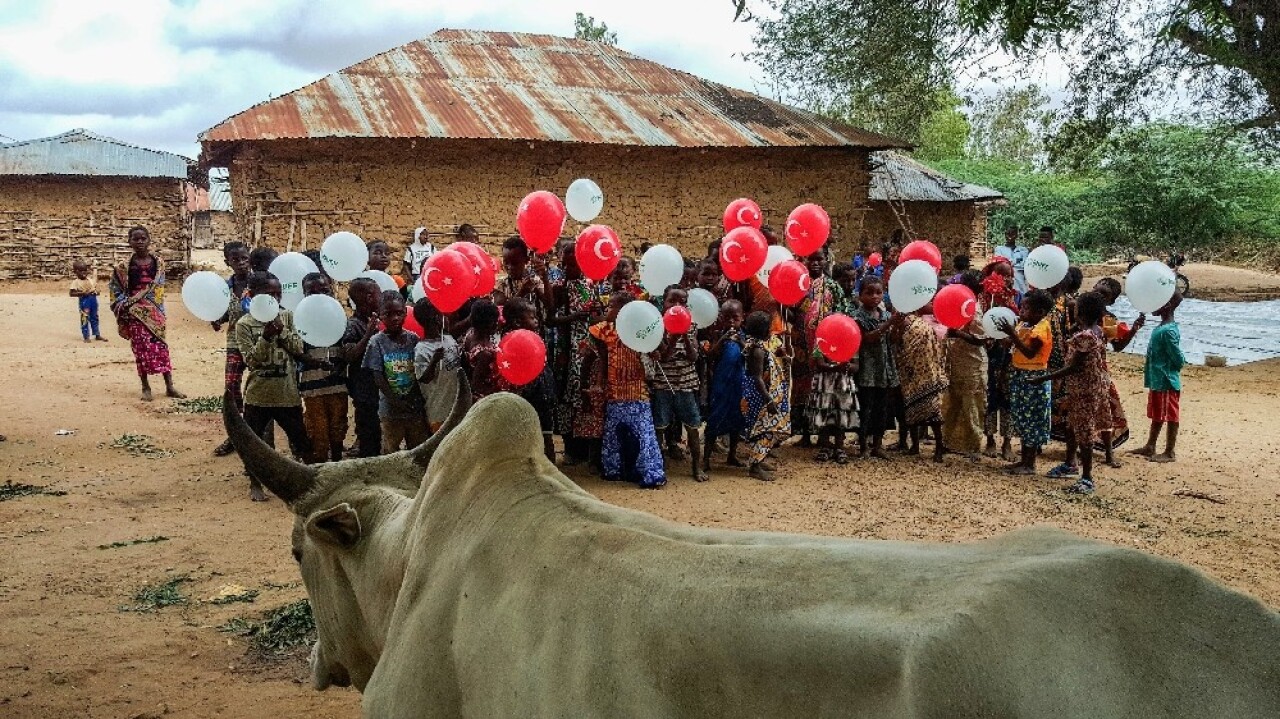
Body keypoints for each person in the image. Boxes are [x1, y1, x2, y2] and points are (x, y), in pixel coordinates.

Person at [234, 271, 312, 501]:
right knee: (255, 442)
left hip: (287, 394)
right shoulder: (244, 324)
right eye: (269, 295)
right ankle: (255, 482)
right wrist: (266, 337)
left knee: (301, 440)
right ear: (254, 295)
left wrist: (281, 331)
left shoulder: (287, 316)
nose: (275, 300)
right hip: (258, 395)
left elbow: (298, 349)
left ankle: (306, 481)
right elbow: (252, 360)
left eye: (278, 294)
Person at [587, 293, 666, 488]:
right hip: (615, 391)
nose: (608, 311)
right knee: (613, 433)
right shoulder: (607, 332)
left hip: (638, 390)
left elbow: (659, 350)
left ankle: (650, 472)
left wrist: (655, 352)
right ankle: (613, 469)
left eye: (612, 306)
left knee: (644, 434)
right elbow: (604, 359)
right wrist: (599, 383)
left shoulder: (641, 330)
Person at [1041, 291, 1113, 494]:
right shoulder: (1096, 330)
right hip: (1085, 387)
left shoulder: (1085, 337)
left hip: (1084, 390)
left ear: (1080, 312)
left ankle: (1087, 478)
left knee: (1084, 432)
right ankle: (1070, 464)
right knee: (1072, 425)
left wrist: (1043, 378)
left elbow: (1073, 366)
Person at [108, 226, 184, 402]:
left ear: (149, 240)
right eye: (136, 239)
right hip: (135, 313)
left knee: (162, 349)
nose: (140, 242)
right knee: (140, 351)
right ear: (129, 242)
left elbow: (158, 289)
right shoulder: (123, 267)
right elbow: (115, 289)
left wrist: (152, 305)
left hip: (156, 313)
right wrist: (125, 304)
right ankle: (145, 387)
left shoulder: (158, 263)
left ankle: (169, 386)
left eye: (143, 238)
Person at [549, 244, 599, 465]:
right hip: (566, 350)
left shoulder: (590, 285)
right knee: (566, 399)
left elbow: (596, 315)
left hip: (586, 348)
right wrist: (576, 317)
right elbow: (550, 319)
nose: (570, 268)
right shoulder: (559, 287)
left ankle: (585, 446)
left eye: (574, 264)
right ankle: (570, 447)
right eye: (566, 264)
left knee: (584, 396)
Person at [995, 289, 1054, 476]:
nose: (1021, 311)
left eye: (1026, 308)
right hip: (1020, 375)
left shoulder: (1041, 329)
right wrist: (1006, 337)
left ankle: (1030, 464)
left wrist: (1012, 335)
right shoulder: (1024, 324)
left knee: (1032, 421)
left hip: (1034, 379)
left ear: (1040, 312)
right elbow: (1014, 345)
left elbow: (1030, 352)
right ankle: (1024, 460)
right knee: (1022, 418)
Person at [651, 286, 706, 482]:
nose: (676, 306)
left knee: (693, 426)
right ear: (663, 303)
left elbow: (693, 357)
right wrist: (673, 338)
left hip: (686, 384)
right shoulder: (657, 326)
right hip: (663, 385)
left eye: (681, 302)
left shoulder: (691, 326)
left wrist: (683, 334)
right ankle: (658, 468)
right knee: (660, 426)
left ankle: (696, 468)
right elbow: (664, 357)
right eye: (671, 301)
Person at [806, 268, 858, 464]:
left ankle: (839, 446)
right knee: (825, 416)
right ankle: (826, 446)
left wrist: (845, 367)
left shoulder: (851, 341)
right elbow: (819, 363)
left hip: (843, 384)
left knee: (841, 418)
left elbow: (856, 366)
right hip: (825, 384)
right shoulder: (822, 339)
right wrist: (836, 367)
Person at [364, 291, 427, 453]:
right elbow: (377, 376)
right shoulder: (376, 342)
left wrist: (412, 396)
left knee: (418, 448)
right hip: (390, 409)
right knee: (390, 450)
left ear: (405, 312)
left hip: (414, 406)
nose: (394, 318)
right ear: (380, 315)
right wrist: (395, 400)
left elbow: (418, 371)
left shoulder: (413, 340)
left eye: (399, 313)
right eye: (388, 314)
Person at [791, 248, 842, 449]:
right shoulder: (798, 283)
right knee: (803, 387)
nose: (815, 263)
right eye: (810, 259)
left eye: (819, 259)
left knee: (823, 388)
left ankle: (823, 435)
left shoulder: (832, 286)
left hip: (824, 344)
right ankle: (804, 434)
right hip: (802, 345)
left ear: (825, 260)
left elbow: (841, 310)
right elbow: (790, 308)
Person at [298, 273, 349, 463]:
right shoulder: (300, 320)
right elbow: (296, 351)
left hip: (337, 383)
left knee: (338, 424)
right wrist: (315, 363)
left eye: (324, 291)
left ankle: (336, 460)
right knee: (317, 427)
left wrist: (341, 365)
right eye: (312, 292)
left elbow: (346, 348)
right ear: (303, 295)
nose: (319, 296)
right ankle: (319, 465)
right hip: (312, 386)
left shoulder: (340, 316)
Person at [891, 301, 949, 462]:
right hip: (910, 371)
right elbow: (895, 341)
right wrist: (895, 325)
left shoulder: (927, 323)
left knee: (934, 412)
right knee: (911, 409)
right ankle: (914, 445)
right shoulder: (903, 320)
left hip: (928, 372)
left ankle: (938, 447)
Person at [212, 242, 254, 456]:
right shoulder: (225, 288)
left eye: (244, 258)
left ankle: (257, 432)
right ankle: (236, 434)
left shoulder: (260, 283)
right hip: (235, 342)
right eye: (235, 259)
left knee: (259, 389)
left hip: (258, 343)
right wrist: (219, 318)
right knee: (231, 386)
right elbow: (228, 312)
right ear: (227, 262)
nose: (241, 263)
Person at [503, 298, 557, 462]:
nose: (536, 321)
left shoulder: (534, 337)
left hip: (543, 394)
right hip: (526, 394)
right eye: (532, 317)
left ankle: (551, 470)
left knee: (547, 435)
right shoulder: (511, 342)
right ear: (517, 322)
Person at [1132, 292, 1185, 463]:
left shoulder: (1168, 331)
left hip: (1166, 380)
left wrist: (1172, 368)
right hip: (1158, 379)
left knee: (1170, 414)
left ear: (1167, 306)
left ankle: (1170, 451)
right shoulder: (1163, 328)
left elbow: (1177, 358)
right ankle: (1150, 445)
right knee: (1158, 413)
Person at [741, 310, 791, 481]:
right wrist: (768, 399)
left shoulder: (754, 344)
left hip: (760, 394)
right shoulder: (758, 351)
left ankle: (759, 460)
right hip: (761, 396)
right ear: (764, 330)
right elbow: (757, 378)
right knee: (764, 430)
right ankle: (755, 466)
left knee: (764, 429)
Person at [942, 271, 988, 459]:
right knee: (954, 403)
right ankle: (951, 442)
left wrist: (956, 333)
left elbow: (980, 339)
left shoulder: (974, 309)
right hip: (959, 362)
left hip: (973, 364)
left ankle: (973, 445)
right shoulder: (964, 305)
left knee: (972, 405)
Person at [851, 277, 897, 459]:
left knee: (882, 408)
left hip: (884, 368)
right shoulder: (858, 316)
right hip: (867, 369)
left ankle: (878, 445)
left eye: (878, 292)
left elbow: (891, 340)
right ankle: (863, 446)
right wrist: (889, 324)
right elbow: (868, 338)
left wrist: (897, 326)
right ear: (860, 295)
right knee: (866, 408)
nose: (874, 297)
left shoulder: (885, 315)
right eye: (869, 293)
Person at [340, 277, 383, 458]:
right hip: (364, 390)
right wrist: (367, 335)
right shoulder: (353, 325)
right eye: (378, 293)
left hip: (378, 388)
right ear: (369, 297)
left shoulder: (376, 320)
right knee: (368, 435)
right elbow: (349, 355)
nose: (381, 297)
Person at [702, 299, 747, 473]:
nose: (731, 322)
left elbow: (751, 355)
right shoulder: (717, 334)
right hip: (721, 385)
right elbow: (711, 356)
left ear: (742, 318)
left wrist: (740, 342)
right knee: (715, 419)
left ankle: (732, 455)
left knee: (737, 420)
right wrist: (722, 340)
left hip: (739, 384)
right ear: (721, 318)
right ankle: (705, 459)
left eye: (734, 318)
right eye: (727, 318)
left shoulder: (745, 336)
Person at [412, 299, 460, 435]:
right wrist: (434, 361)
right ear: (436, 318)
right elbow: (423, 378)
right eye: (440, 314)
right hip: (438, 411)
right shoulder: (422, 349)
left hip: (456, 406)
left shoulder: (448, 338)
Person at [461, 300, 504, 400]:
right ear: (489, 324)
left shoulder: (470, 334)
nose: (497, 324)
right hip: (488, 396)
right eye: (495, 322)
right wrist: (495, 392)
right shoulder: (484, 354)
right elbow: (477, 384)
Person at [69, 259, 106, 343]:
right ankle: (86, 336)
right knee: (84, 318)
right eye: (81, 271)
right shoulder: (76, 282)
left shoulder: (90, 280)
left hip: (93, 300)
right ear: (76, 272)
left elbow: (96, 289)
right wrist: (82, 293)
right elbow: (71, 293)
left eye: (85, 271)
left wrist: (97, 292)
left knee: (95, 317)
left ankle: (97, 334)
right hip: (84, 301)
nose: (84, 273)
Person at [995, 225, 1029, 294]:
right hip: (1005, 284)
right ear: (1005, 235)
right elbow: (1000, 264)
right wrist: (1017, 260)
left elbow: (1024, 265)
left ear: (1016, 235)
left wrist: (1008, 262)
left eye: (1013, 234)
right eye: (1008, 234)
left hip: (1020, 285)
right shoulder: (999, 249)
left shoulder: (1023, 250)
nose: (1010, 236)